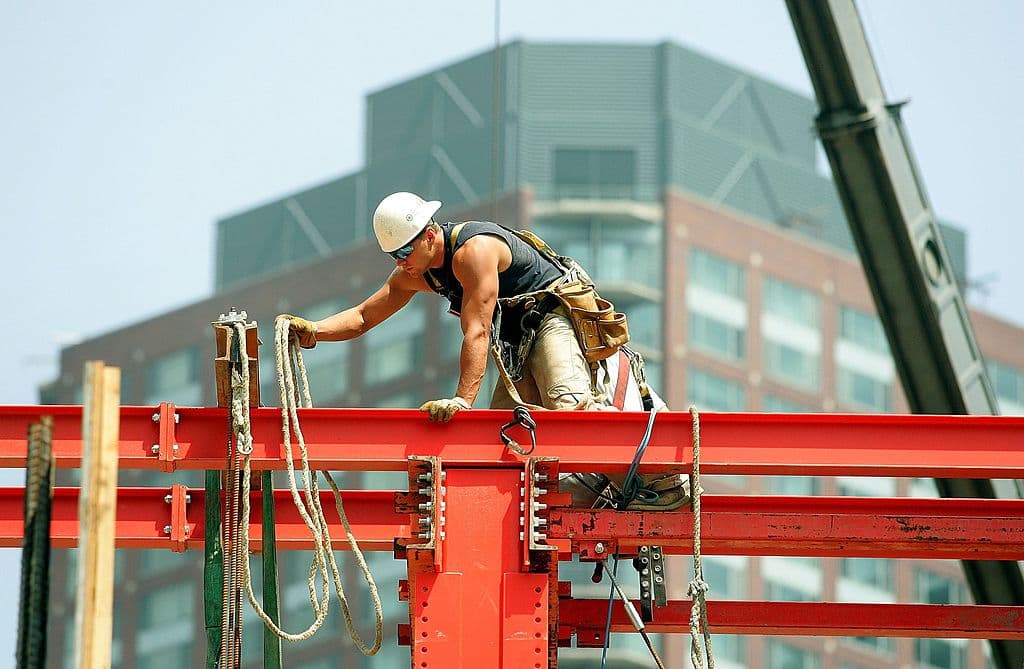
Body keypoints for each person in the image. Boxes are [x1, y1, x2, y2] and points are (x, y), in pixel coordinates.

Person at [279, 191, 688, 510]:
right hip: (516, 340)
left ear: (429, 234)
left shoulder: (474, 251)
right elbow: (366, 315)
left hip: (550, 316)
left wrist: (462, 399)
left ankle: (666, 474)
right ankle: (589, 490)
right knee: (498, 444)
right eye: (394, 256)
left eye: (405, 252)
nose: (401, 263)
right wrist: (313, 331)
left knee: (569, 408)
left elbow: (475, 331)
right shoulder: (416, 271)